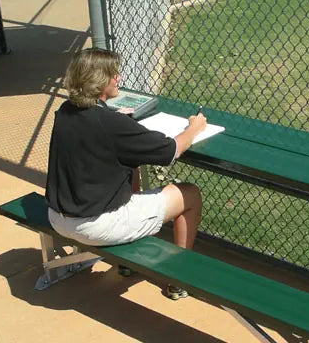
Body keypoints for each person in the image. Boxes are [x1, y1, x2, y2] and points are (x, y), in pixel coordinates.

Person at [45, 48, 207, 300]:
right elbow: (170, 150)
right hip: (94, 226)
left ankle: (127, 261)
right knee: (190, 194)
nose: (118, 78)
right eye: (113, 74)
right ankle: (179, 278)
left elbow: (97, 134)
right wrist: (194, 128)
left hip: (57, 216)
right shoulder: (111, 125)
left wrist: (115, 120)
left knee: (130, 169)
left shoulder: (65, 111)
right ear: (99, 82)